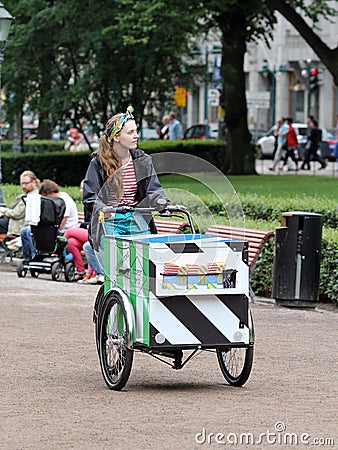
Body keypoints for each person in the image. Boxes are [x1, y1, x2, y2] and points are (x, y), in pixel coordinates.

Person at [83, 105, 170, 274]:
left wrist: (163, 204)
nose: (136, 136)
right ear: (116, 136)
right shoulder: (98, 163)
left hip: (137, 218)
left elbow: (154, 189)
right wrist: (103, 209)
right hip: (109, 220)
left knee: (143, 267)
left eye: (136, 131)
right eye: (130, 132)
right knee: (119, 269)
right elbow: (90, 195)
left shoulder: (143, 160)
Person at [20, 179, 78, 262]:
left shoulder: (64, 201)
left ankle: (35, 256)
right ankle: (27, 258)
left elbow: (61, 223)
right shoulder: (53, 200)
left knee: (31, 232)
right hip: (51, 228)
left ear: (46, 193)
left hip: (63, 230)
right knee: (24, 231)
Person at [0, 170, 40, 235]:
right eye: (22, 183)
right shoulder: (27, 194)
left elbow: (17, 214)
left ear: (34, 182)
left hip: (19, 226)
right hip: (16, 222)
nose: (23, 186)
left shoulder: (32, 196)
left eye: (26, 183)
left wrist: (4, 211)